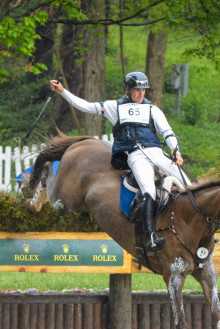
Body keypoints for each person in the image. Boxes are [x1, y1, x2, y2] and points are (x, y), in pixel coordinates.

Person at [50, 71, 186, 253]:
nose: (141, 94)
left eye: (143, 90)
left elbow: (167, 132)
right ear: (127, 90)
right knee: (148, 190)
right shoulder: (115, 107)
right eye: (137, 90)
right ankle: (150, 237)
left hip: (156, 152)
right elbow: (87, 107)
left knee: (188, 184)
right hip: (136, 155)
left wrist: (175, 151)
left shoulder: (153, 110)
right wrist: (63, 92)